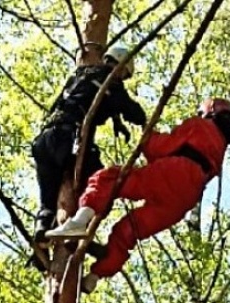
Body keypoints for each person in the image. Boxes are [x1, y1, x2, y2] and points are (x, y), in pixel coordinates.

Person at [45, 98, 230, 293]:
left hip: (174, 172)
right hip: (186, 198)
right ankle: (95, 277)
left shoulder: (199, 125)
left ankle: (79, 221)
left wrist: (147, 132)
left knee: (109, 178)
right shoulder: (221, 145)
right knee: (131, 229)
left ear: (209, 111)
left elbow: (159, 147)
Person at [31, 45, 147, 247]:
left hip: (44, 140)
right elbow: (133, 112)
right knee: (102, 181)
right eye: (124, 74)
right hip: (69, 139)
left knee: (48, 200)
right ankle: (76, 227)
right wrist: (143, 121)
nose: (122, 78)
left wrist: (116, 120)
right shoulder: (111, 82)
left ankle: (43, 230)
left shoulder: (81, 75)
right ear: (119, 65)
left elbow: (91, 97)